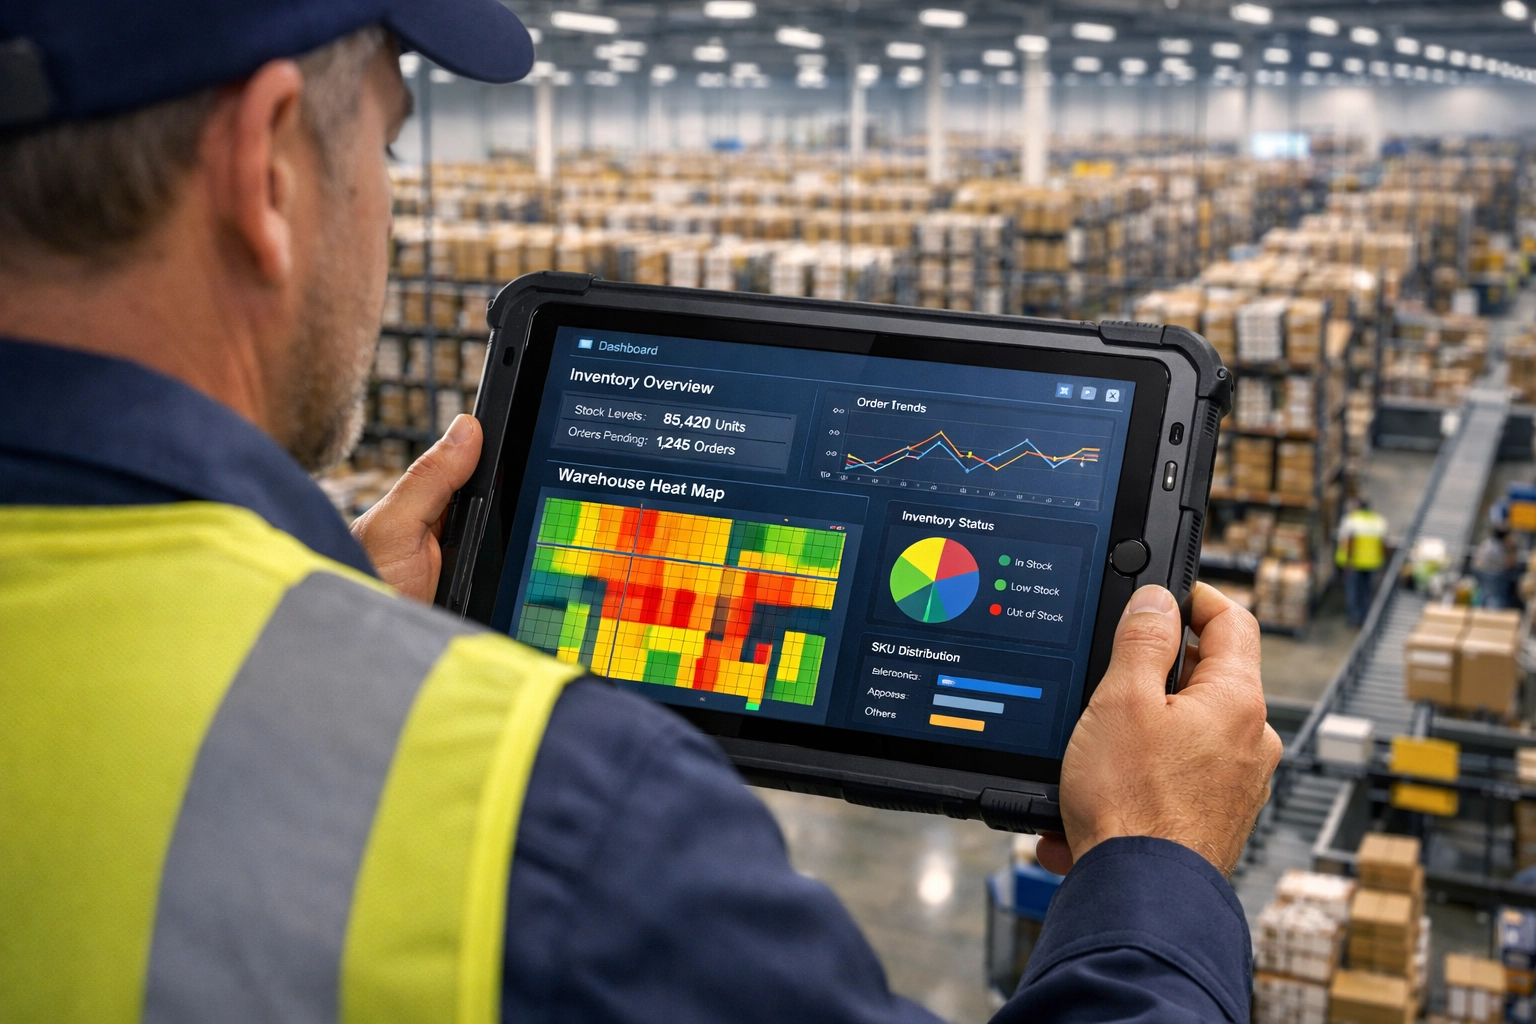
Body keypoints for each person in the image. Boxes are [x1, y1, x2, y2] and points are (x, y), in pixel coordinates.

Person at [0, 2, 1282, 1021]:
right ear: (265, 169)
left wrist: (321, 624)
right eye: (385, 145)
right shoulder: (565, 823)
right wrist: (1158, 872)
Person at [1336, 498, 1389, 627]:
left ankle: (1354, 618)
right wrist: (1383, 562)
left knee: (1353, 591)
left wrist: (1347, 563)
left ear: (1358, 507)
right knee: (1366, 591)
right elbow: (1384, 544)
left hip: (1354, 563)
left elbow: (1348, 542)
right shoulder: (1379, 521)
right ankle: (1365, 618)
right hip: (1373, 563)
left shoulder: (1351, 520)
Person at [1472, 525, 1517, 609]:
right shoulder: (1501, 547)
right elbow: (1509, 564)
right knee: (1494, 598)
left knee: (1484, 595)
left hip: (1483, 573)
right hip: (1494, 576)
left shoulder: (1487, 542)